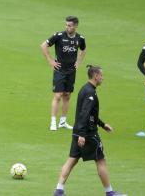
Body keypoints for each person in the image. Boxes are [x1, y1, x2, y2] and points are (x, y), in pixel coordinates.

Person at [53, 65, 125, 196]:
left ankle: (59, 190)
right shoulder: (90, 92)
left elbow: (90, 114)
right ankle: (110, 193)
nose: (103, 78)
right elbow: (85, 113)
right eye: (101, 75)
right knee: (101, 160)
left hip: (78, 131)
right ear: (96, 76)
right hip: (88, 134)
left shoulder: (85, 89)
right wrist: (82, 134)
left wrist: (102, 125)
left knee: (72, 160)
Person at [41, 16, 87, 131]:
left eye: (69, 25)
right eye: (66, 25)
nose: (67, 27)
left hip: (71, 71)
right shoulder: (59, 36)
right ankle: (53, 122)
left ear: (76, 26)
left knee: (67, 95)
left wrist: (78, 62)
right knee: (57, 95)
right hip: (60, 70)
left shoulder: (80, 38)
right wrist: (50, 61)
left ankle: (63, 122)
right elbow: (43, 45)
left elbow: (83, 49)